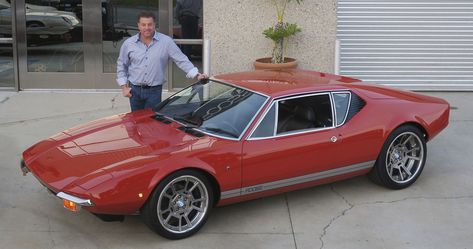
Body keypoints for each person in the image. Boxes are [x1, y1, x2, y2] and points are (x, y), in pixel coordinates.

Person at [116, 11, 207, 112]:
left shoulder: (166, 42)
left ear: (154, 25)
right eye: (143, 24)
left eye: (150, 24)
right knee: (136, 122)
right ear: (138, 26)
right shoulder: (129, 43)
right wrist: (124, 87)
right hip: (134, 90)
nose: (147, 27)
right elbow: (122, 65)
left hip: (154, 92)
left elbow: (181, 60)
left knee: (152, 122)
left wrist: (196, 74)